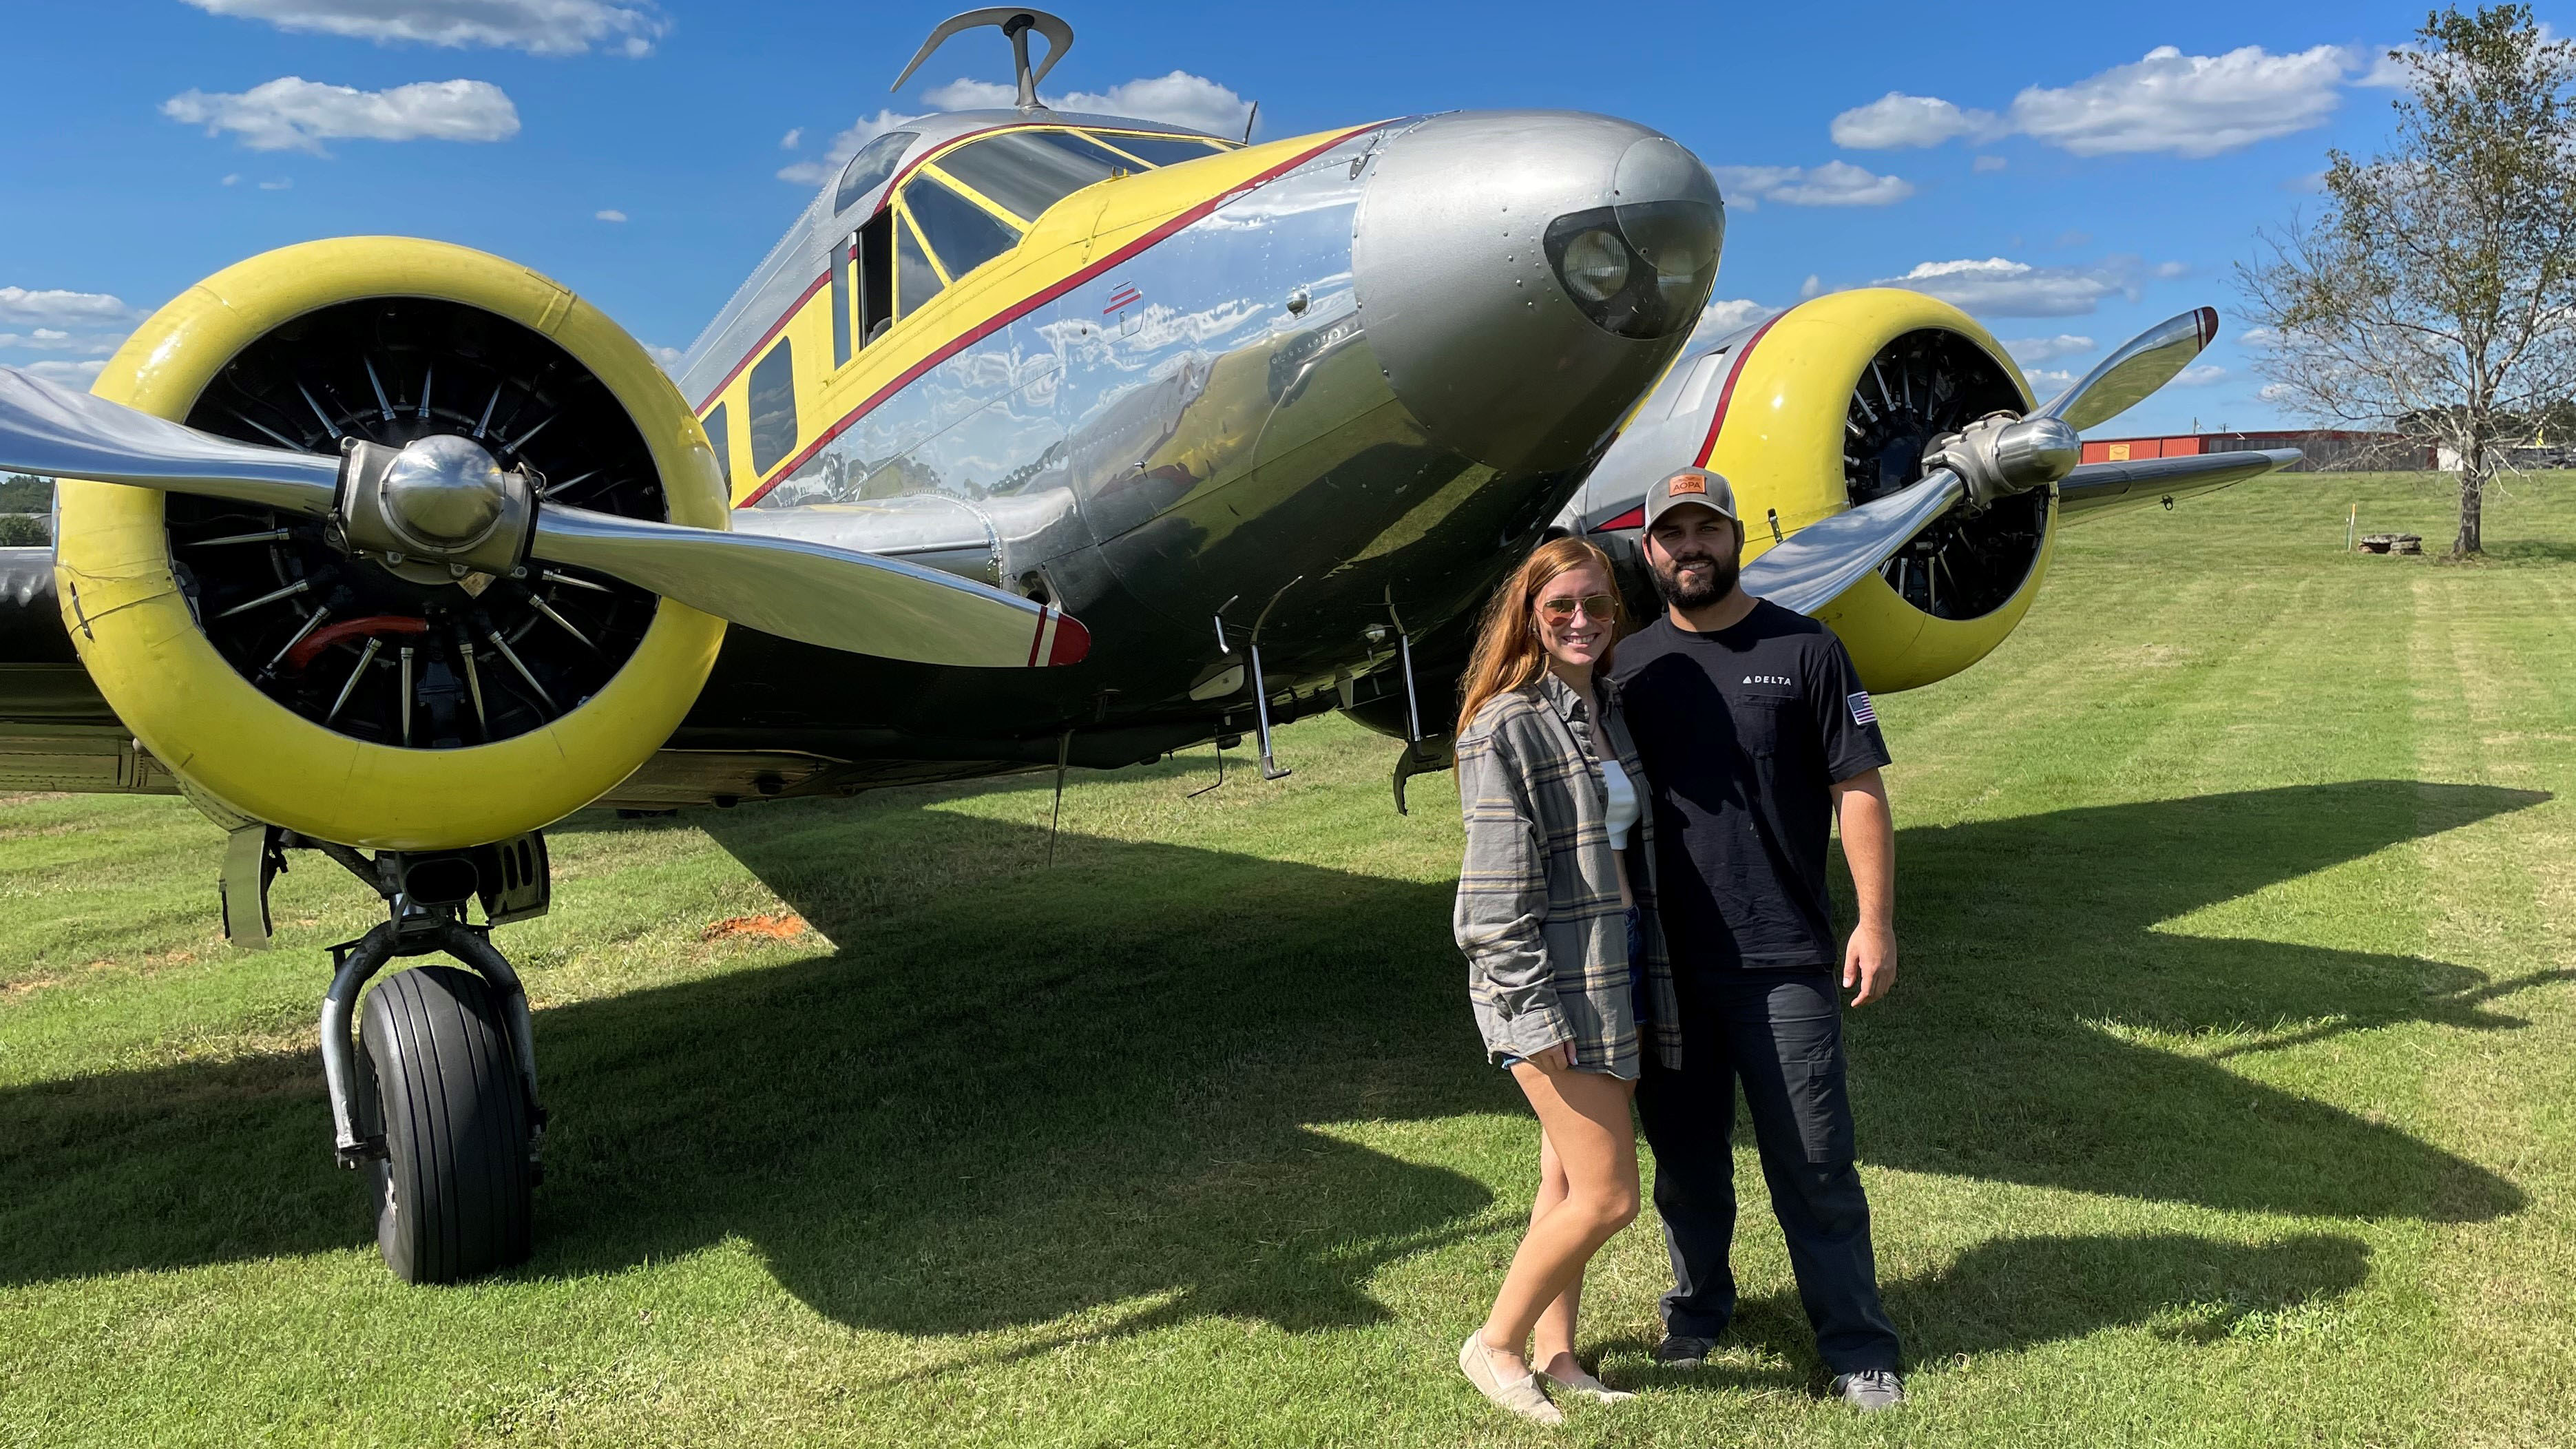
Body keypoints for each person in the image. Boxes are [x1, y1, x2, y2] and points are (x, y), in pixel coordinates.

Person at [1610, 468, 1908, 1412]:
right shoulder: (1625, 668)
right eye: (1671, 534)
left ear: (1734, 537)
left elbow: (1855, 787)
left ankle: (1857, 1345)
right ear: (1648, 550)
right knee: (1685, 1163)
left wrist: (1873, 920)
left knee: (1814, 1163)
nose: (1689, 548)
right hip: (1666, 966)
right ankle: (1696, 1313)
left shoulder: (1805, 648)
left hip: (1782, 961)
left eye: (1706, 530)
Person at [1449, 536, 1677, 1426]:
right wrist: (1529, 1010)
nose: (1581, 620)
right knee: (1609, 1195)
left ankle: (1557, 1355)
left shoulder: (1603, 711)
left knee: (1562, 1185)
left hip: (1615, 965)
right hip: (1551, 984)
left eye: (1596, 605)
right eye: (1560, 608)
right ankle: (1496, 1345)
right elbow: (1489, 900)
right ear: (1530, 619)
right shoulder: (1504, 725)